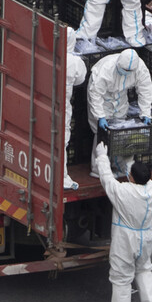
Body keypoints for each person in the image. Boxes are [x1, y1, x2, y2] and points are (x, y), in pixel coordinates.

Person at [94, 142, 152, 302]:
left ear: (131, 177)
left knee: (121, 275)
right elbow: (137, 174)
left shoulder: (123, 191)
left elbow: (107, 179)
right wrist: (127, 160)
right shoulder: (151, 188)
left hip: (126, 238)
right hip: (145, 235)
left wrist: (102, 157)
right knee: (144, 268)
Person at [86, 49, 152, 175]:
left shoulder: (140, 69)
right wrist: (100, 116)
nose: (126, 73)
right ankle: (98, 169)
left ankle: (119, 165)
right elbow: (95, 94)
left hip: (120, 95)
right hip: (102, 95)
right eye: (124, 70)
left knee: (120, 131)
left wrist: (145, 112)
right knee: (101, 133)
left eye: (129, 71)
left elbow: (145, 90)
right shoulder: (107, 69)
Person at [63, 27, 86, 190]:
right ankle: (61, 177)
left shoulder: (45, 54)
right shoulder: (74, 61)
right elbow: (80, 80)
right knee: (61, 139)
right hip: (62, 104)